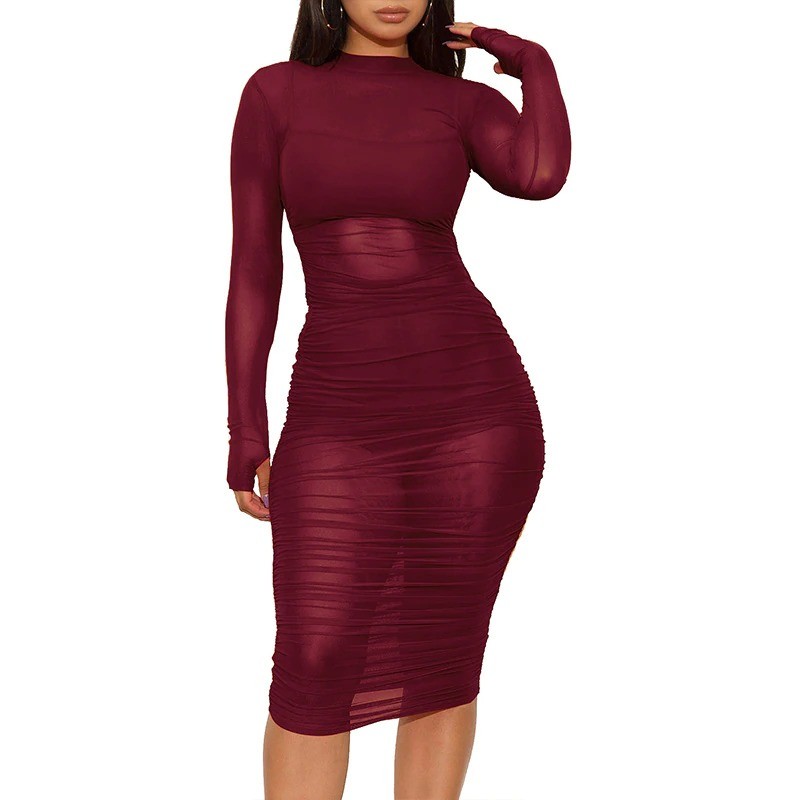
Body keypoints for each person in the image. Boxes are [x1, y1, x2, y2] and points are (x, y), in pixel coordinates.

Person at [224, 1, 571, 797]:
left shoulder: (459, 102)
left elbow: (539, 174)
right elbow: (253, 267)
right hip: (336, 416)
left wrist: (531, 61)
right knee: (314, 662)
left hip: (475, 413)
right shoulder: (274, 94)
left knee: (443, 658)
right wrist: (246, 428)